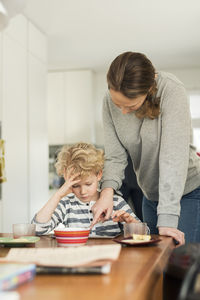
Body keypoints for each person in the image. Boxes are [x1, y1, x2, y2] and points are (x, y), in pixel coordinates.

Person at [91, 51, 200, 245]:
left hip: (188, 192)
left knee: (178, 265)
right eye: (118, 105)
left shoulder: (171, 91)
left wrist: (167, 218)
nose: (123, 112)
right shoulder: (108, 101)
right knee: (154, 265)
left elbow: (172, 159)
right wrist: (106, 193)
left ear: (149, 89)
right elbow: (115, 156)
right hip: (150, 196)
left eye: (130, 107)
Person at [32, 142, 140, 237]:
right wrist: (58, 194)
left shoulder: (115, 201)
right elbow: (37, 229)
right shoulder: (66, 203)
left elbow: (144, 233)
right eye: (75, 186)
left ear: (99, 175)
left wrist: (131, 222)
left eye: (88, 184)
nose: (83, 192)